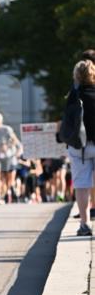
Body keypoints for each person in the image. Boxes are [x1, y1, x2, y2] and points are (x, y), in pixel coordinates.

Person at [62, 59, 95, 236]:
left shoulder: (73, 96)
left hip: (79, 146)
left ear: (76, 75)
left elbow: (67, 121)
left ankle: (85, 224)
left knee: (82, 185)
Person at [0, 112, 21, 204]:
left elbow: (15, 141)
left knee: (7, 176)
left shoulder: (7, 129)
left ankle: (8, 192)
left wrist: (7, 146)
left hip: (8, 155)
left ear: (1, 120)